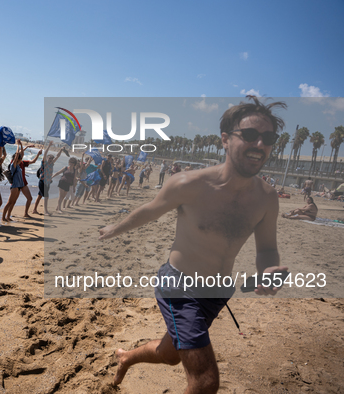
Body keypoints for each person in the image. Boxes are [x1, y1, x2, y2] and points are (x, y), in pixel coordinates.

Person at [99, 96, 288, 392]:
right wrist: (115, 227)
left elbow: (265, 249)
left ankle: (126, 358)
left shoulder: (266, 197)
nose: (260, 144)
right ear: (225, 139)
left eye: (269, 138)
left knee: (171, 354)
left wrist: (268, 270)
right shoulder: (188, 184)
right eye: (250, 135)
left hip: (218, 291)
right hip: (180, 286)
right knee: (205, 382)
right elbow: (150, 209)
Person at [33, 140, 64, 216]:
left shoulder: (52, 164)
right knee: (46, 197)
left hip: (47, 183)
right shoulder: (44, 163)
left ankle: (34, 210)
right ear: (47, 158)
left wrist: (61, 150)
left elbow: (57, 156)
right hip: (42, 182)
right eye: (49, 158)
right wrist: (49, 145)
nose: (50, 159)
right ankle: (46, 211)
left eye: (51, 158)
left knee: (40, 196)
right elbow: (45, 154)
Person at [2, 139, 26, 222]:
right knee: (9, 202)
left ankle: (8, 216)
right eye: (19, 159)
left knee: (14, 202)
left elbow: (21, 154)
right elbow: (16, 156)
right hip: (14, 186)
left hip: (19, 186)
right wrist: (17, 145)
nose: (20, 160)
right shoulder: (13, 165)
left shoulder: (18, 166)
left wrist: (21, 145)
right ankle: (3, 217)